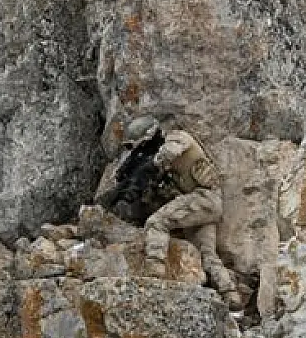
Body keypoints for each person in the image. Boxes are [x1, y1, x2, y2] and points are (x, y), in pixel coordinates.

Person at [94, 116, 241, 308]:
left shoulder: (177, 138)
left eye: (139, 145)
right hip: (203, 207)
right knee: (207, 255)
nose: (137, 150)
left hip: (203, 199)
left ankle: (154, 273)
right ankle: (230, 294)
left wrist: (148, 169)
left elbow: (167, 155)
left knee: (156, 223)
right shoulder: (163, 159)